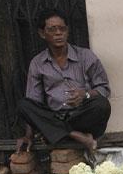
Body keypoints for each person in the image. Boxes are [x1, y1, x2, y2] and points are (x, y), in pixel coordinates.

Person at [15, 8, 111, 154]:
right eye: (52, 29)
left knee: (102, 104)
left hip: (82, 117)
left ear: (67, 31)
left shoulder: (86, 56)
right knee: (24, 105)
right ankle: (78, 137)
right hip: (54, 116)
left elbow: (104, 89)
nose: (58, 33)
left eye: (62, 29)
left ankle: (56, 133)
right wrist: (28, 136)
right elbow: (34, 101)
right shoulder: (37, 63)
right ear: (42, 33)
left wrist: (85, 95)